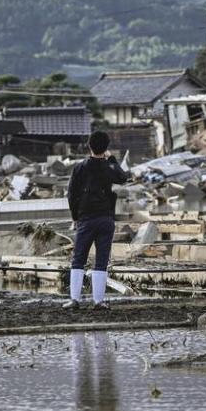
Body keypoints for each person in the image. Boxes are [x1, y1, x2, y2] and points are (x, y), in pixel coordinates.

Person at [63, 131, 130, 310]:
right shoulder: (108, 167)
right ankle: (98, 301)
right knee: (101, 261)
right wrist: (112, 160)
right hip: (106, 219)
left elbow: (71, 194)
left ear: (89, 146)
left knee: (78, 259)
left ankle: (74, 300)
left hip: (86, 219)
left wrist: (75, 217)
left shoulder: (80, 167)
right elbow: (123, 178)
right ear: (106, 148)